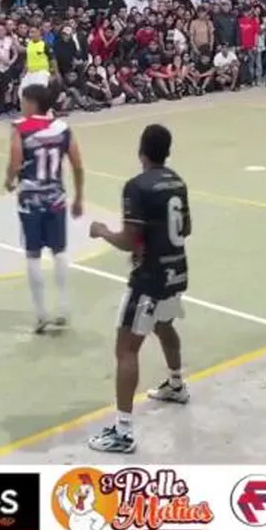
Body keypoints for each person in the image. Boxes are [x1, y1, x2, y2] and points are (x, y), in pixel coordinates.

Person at [87, 124, 191, 454]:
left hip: (149, 278)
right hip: (177, 271)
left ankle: (123, 431)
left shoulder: (137, 186)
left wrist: (102, 231)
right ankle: (176, 384)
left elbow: (128, 240)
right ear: (167, 152)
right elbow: (185, 228)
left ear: (141, 151)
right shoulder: (177, 182)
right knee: (164, 325)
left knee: (126, 349)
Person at [4, 84, 85, 332]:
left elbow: (15, 161)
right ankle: (63, 306)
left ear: (31, 103)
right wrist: (79, 197)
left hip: (31, 199)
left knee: (33, 254)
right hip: (56, 197)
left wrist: (9, 180)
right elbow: (77, 165)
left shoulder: (20, 128)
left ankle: (41, 313)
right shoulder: (62, 128)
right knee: (59, 251)